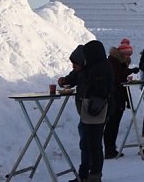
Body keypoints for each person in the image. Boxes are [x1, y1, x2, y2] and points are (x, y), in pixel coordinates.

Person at [73, 40, 113, 182]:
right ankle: (86, 174)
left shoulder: (99, 68)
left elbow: (101, 90)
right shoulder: (95, 66)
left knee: (93, 144)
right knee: (89, 143)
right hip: (95, 110)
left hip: (96, 110)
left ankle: (94, 175)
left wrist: (89, 98)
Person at [58, 45, 89, 182]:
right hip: (83, 110)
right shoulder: (78, 71)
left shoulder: (91, 71)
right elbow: (70, 80)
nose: (73, 67)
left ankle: (86, 174)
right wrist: (63, 81)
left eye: (75, 64)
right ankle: (87, 174)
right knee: (86, 140)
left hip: (92, 111)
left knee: (87, 142)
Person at [104, 38, 137, 159]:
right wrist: (127, 72)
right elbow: (117, 76)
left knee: (114, 123)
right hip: (114, 95)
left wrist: (129, 71)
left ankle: (111, 148)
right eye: (127, 54)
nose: (128, 57)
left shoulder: (117, 60)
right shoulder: (113, 61)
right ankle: (109, 149)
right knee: (112, 123)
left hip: (118, 95)